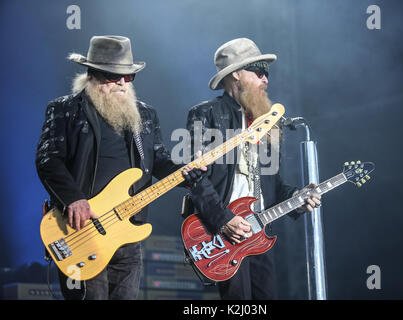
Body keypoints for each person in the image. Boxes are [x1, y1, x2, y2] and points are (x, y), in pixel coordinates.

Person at [35, 35, 204, 300]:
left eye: (128, 77)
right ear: (93, 75)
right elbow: (48, 159)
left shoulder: (145, 114)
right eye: (114, 77)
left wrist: (186, 175)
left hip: (127, 232)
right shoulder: (65, 110)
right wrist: (74, 199)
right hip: (82, 231)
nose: (123, 83)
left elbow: (158, 160)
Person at [185, 38, 322, 299]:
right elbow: (195, 178)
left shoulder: (267, 122)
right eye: (259, 72)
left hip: (258, 230)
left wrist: (297, 197)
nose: (265, 79)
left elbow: (274, 185)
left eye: (267, 73)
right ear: (236, 74)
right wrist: (224, 220)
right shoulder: (206, 113)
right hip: (223, 231)